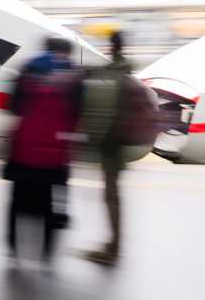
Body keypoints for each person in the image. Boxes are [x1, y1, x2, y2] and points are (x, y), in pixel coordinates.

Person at [4, 37, 82, 265]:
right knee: (50, 202)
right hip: (56, 152)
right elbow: (78, 114)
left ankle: (13, 250)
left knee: (17, 200)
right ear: (66, 52)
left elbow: (13, 107)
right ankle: (46, 254)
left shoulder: (27, 69)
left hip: (24, 148)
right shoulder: (74, 76)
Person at [81, 31, 132, 265]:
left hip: (112, 143)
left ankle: (114, 248)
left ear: (112, 46)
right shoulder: (123, 70)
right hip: (117, 142)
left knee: (112, 196)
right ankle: (113, 244)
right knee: (112, 195)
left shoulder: (118, 71)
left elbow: (109, 103)